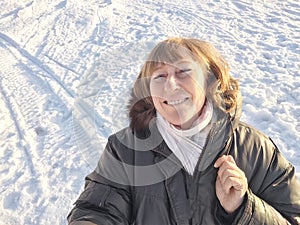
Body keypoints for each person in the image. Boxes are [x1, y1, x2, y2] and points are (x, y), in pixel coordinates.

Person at [68, 38, 300, 224]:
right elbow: (97, 210)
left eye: (183, 72)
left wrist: (243, 208)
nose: (170, 85)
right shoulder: (124, 149)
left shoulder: (255, 148)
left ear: (210, 80)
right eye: (159, 76)